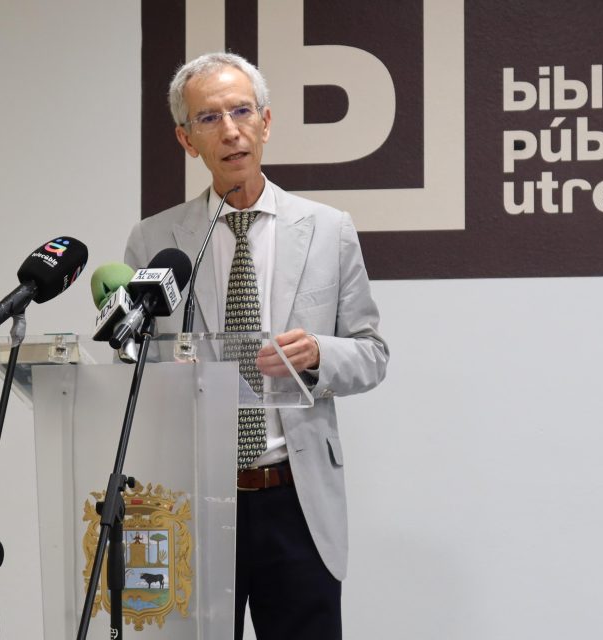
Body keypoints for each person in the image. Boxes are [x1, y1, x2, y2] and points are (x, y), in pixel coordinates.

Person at [124, 51, 388, 640]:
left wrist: (318, 353)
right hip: (194, 500)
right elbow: (135, 368)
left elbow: (372, 353)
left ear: (266, 123)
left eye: (242, 111)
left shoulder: (327, 229)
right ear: (187, 140)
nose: (230, 130)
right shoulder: (155, 240)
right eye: (209, 118)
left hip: (294, 499)